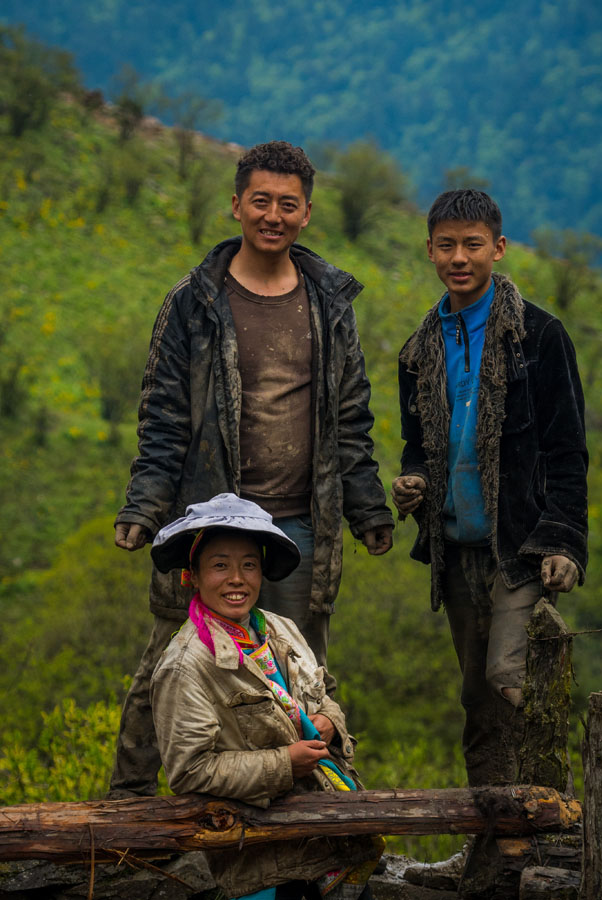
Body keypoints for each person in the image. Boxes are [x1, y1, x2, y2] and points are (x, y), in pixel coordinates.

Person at [109, 141, 394, 798]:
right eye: (260, 201)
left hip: (296, 530)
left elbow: (351, 416)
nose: (273, 215)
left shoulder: (330, 304)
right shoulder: (193, 302)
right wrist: (143, 506)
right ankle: (121, 822)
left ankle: (321, 832)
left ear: (308, 214)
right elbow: (162, 416)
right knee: (167, 668)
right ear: (236, 204)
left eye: (287, 204)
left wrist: (368, 508)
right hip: (207, 524)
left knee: (301, 676)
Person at [391, 190, 588, 895]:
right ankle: (491, 853)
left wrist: (564, 538)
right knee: (478, 702)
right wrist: (412, 480)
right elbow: (416, 445)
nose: (458, 258)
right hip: (456, 548)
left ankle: (550, 846)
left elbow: (567, 451)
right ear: (430, 250)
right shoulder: (420, 348)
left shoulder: (538, 335)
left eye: (472, 244)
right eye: (445, 245)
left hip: (520, 548)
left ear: (498, 249)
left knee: (516, 688)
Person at [149, 493, 382, 899]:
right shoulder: (185, 665)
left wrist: (330, 721)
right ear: (194, 575)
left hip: (331, 834)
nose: (237, 579)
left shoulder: (282, 629)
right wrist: (284, 764)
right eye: (220, 565)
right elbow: (189, 771)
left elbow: (322, 693)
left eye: (249, 565)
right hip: (266, 858)